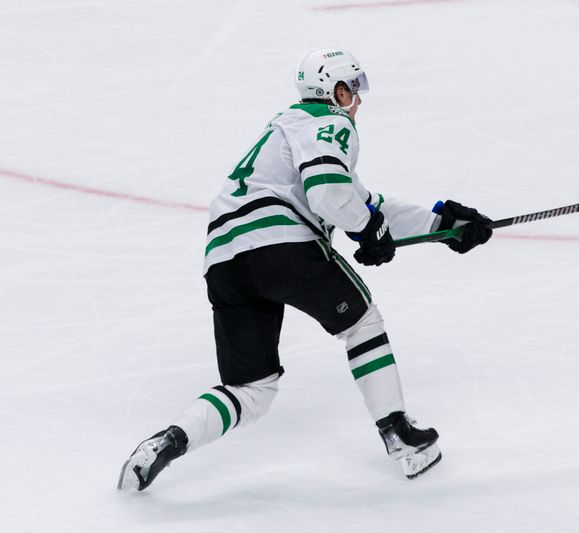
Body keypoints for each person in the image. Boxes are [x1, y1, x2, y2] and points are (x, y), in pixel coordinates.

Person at [117, 48, 492, 490]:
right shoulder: (328, 124)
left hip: (223, 260)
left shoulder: (288, 131)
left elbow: (360, 201)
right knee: (362, 323)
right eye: (352, 89)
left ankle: (170, 440)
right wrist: (368, 230)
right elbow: (329, 191)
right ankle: (400, 437)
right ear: (333, 90)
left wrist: (442, 224)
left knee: (250, 390)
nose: (357, 100)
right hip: (282, 244)